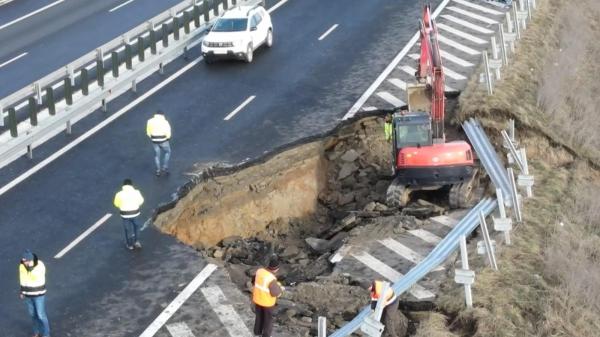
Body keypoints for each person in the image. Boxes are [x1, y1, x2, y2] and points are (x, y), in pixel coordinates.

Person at [19, 250, 50, 337]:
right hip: (28, 295)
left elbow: (36, 277)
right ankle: (36, 333)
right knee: (33, 315)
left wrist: (30, 268)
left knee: (40, 315)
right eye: (23, 260)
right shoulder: (22, 266)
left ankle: (46, 334)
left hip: (38, 294)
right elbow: (22, 278)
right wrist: (22, 291)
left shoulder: (39, 265)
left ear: (30, 260)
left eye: (25, 261)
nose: (24, 262)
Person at [252, 256, 284, 337]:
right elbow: (276, 293)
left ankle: (257, 332)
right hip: (267, 303)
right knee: (268, 320)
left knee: (259, 317)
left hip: (257, 299)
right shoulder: (271, 278)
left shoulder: (260, 271)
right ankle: (266, 335)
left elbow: (253, 281)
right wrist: (281, 289)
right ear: (276, 269)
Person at [113, 179, 145, 250]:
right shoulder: (136, 192)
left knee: (127, 229)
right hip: (135, 213)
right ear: (131, 185)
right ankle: (136, 242)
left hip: (125, 214)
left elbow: (116, 204)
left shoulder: (119, 194)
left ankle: (129, 245)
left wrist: (122, 206)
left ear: (123, 185)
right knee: (136, 227)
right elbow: (141, 201)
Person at [146, 110, 172, 176]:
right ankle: (165, 167)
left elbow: (148, 131)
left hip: (154, 140)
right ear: (162, 115)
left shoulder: (150, 121)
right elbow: (168, 131)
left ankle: (158, 170)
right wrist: (168, 138)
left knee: (157, 155)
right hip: (163, 140)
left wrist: (152, 137)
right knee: (167, 152)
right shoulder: (165, 122)